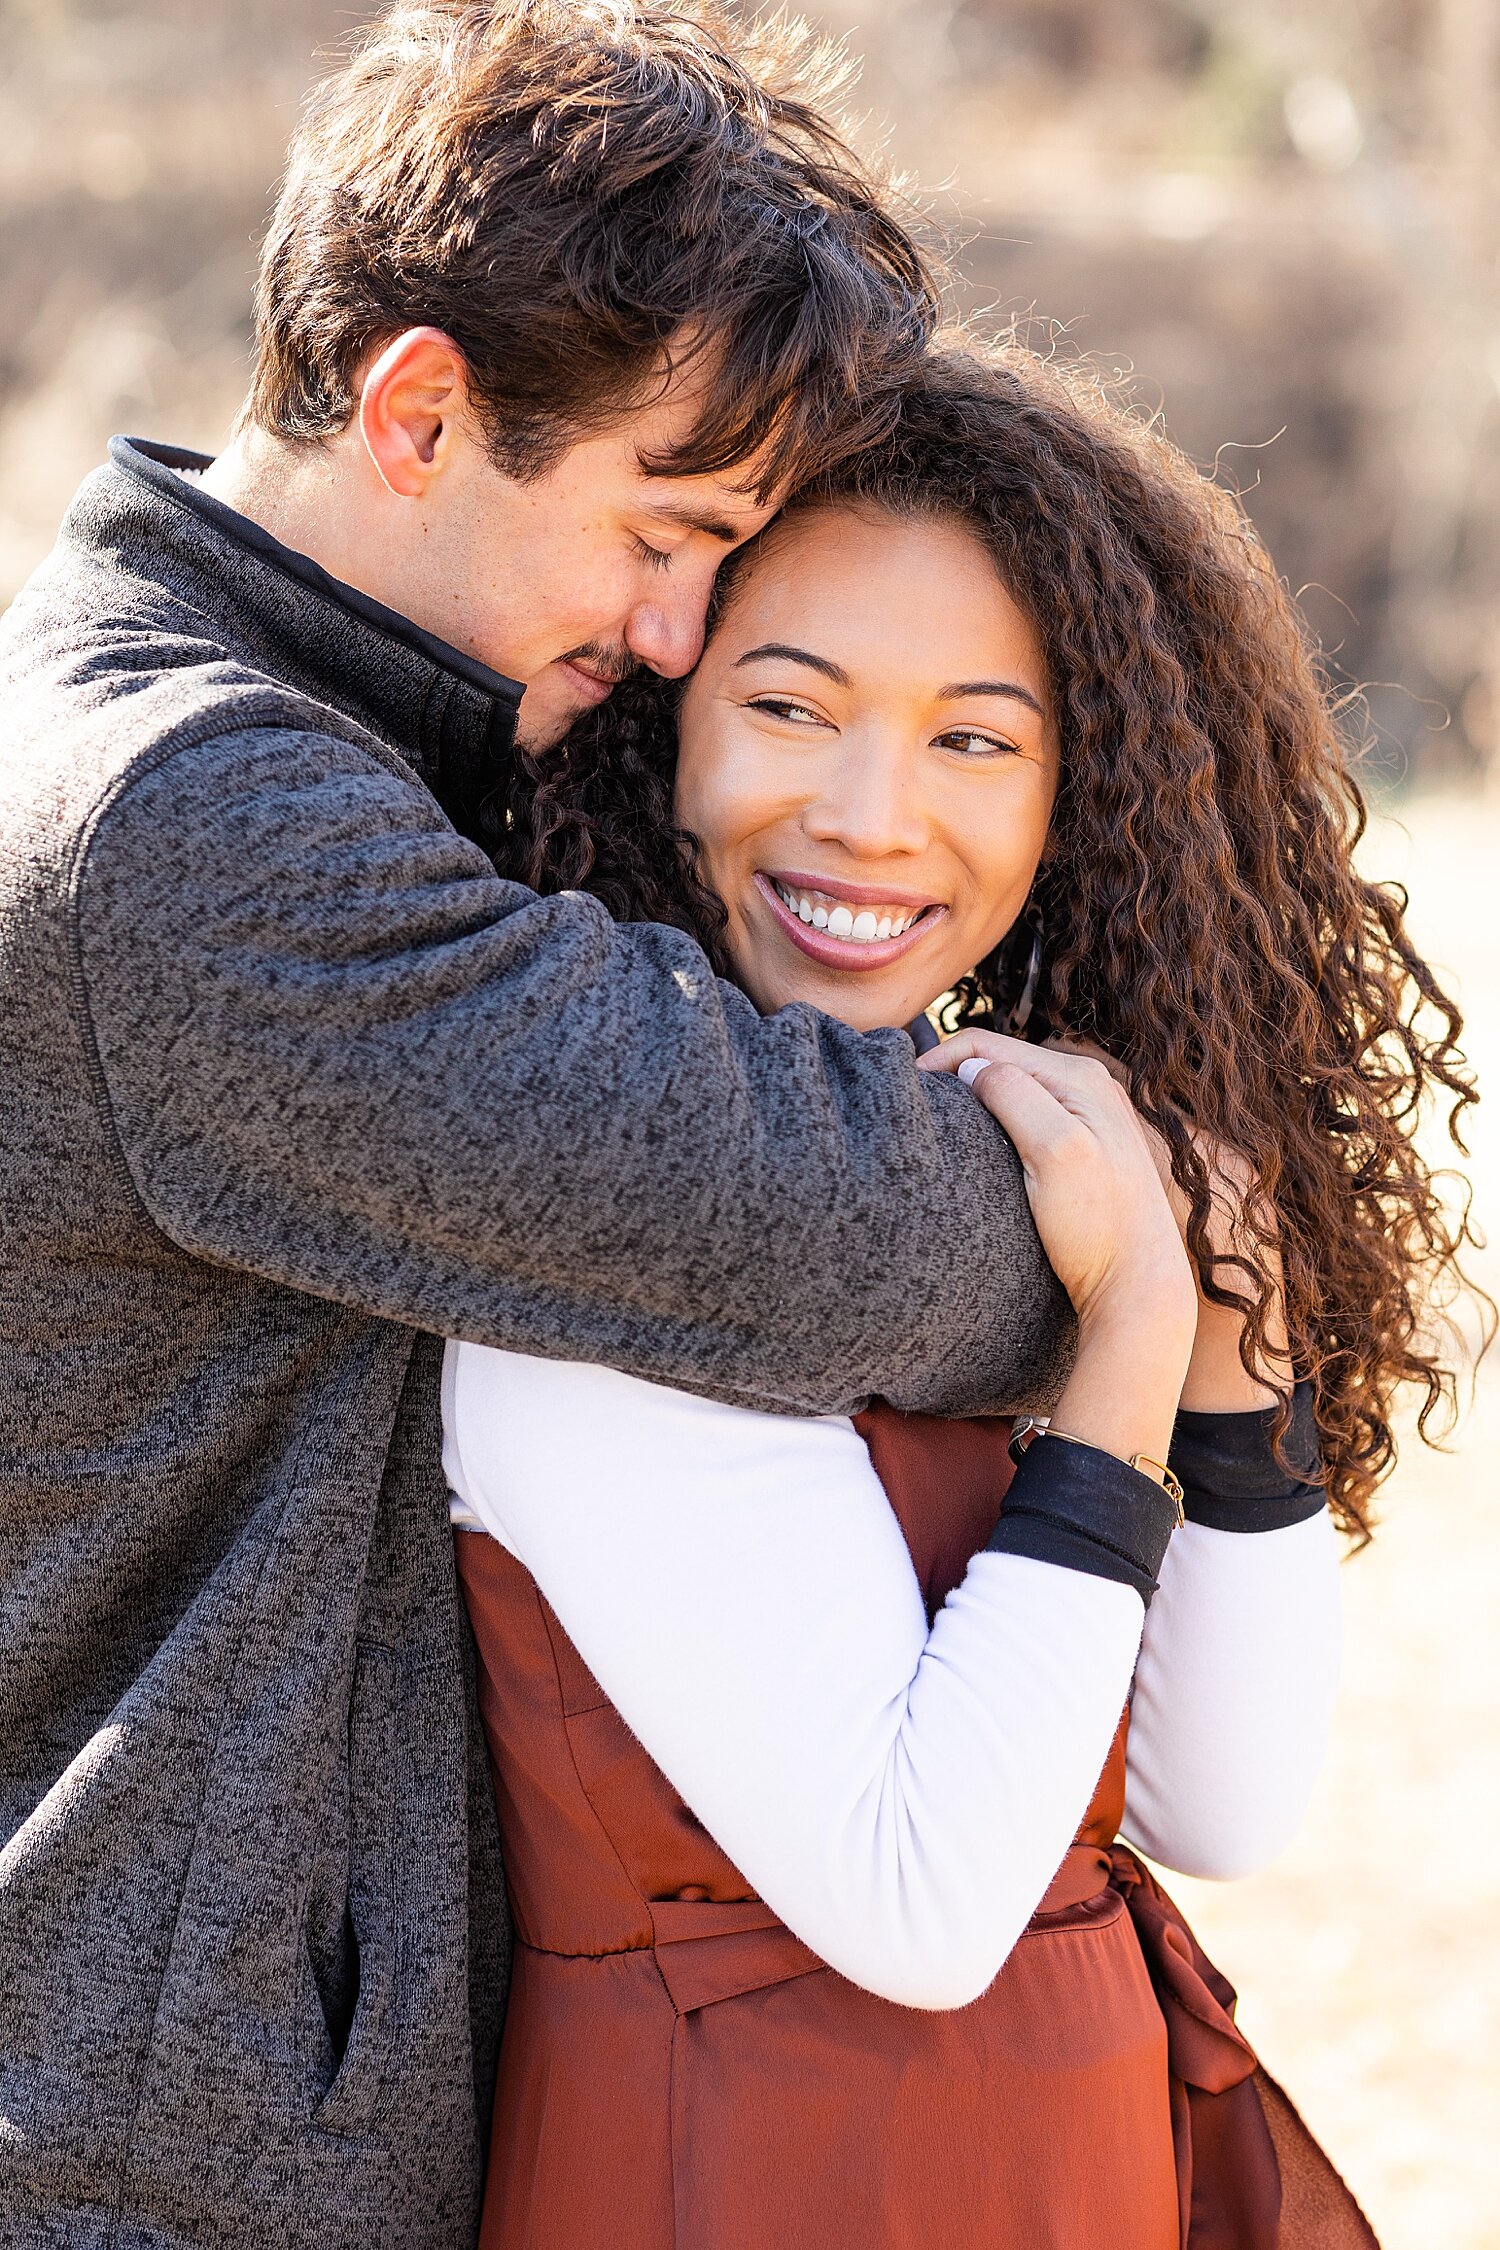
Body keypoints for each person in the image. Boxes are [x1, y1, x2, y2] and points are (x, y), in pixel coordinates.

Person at [0, 12, 1089, 2248]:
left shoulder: (297, 738)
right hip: (157, 2165)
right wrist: (1141, 1224)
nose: (684, 634)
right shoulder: (205, 833)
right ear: (415, 413)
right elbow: (806, 1233)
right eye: (661, 536)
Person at [445, 342, 1480, 2247]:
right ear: (657, 727)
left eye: (972, 738)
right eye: (790, 704)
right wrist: (1128, 1352)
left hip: (1060, 2159)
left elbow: (1219, 1807)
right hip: (748, 2173)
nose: (870, 814)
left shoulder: (1004, 1171)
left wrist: (1230, 1340)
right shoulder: (590, 1215)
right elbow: (925, 1900)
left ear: (1075, 800)